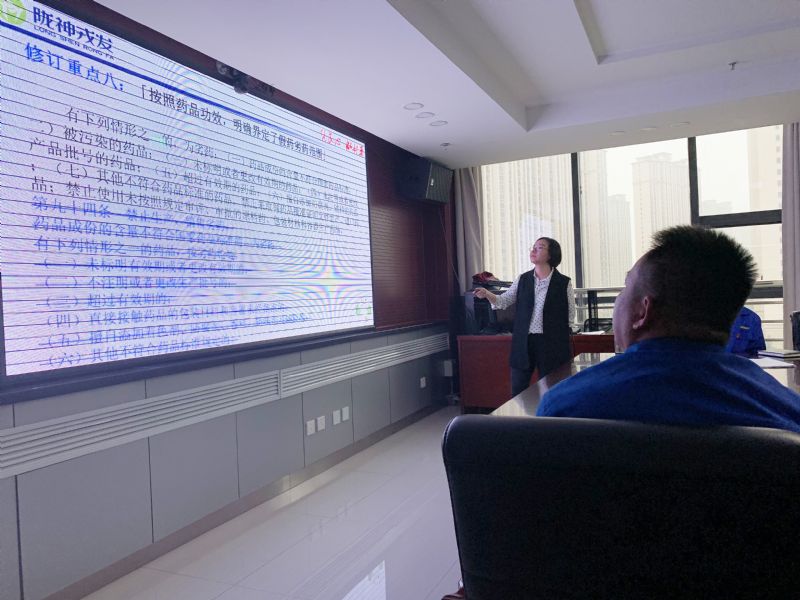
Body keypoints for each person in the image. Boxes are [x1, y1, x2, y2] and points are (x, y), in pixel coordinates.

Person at [537, 226, 800, 433]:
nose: (619, 299)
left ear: (642, 312)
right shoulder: (788, 413)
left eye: (626, 287)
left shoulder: (563, 406)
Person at [474, 237, 576, 396]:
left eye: (540, 247)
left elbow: (570, 315)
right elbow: (503, 301)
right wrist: (487, 294)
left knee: (552, 389)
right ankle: (521, 414)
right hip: (524, 341)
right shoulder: (523, 279)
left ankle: (550, 413)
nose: (533, 250)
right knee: (518, 389)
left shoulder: (563, 282)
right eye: (533, 247)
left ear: (551, 254)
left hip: (551, 343)